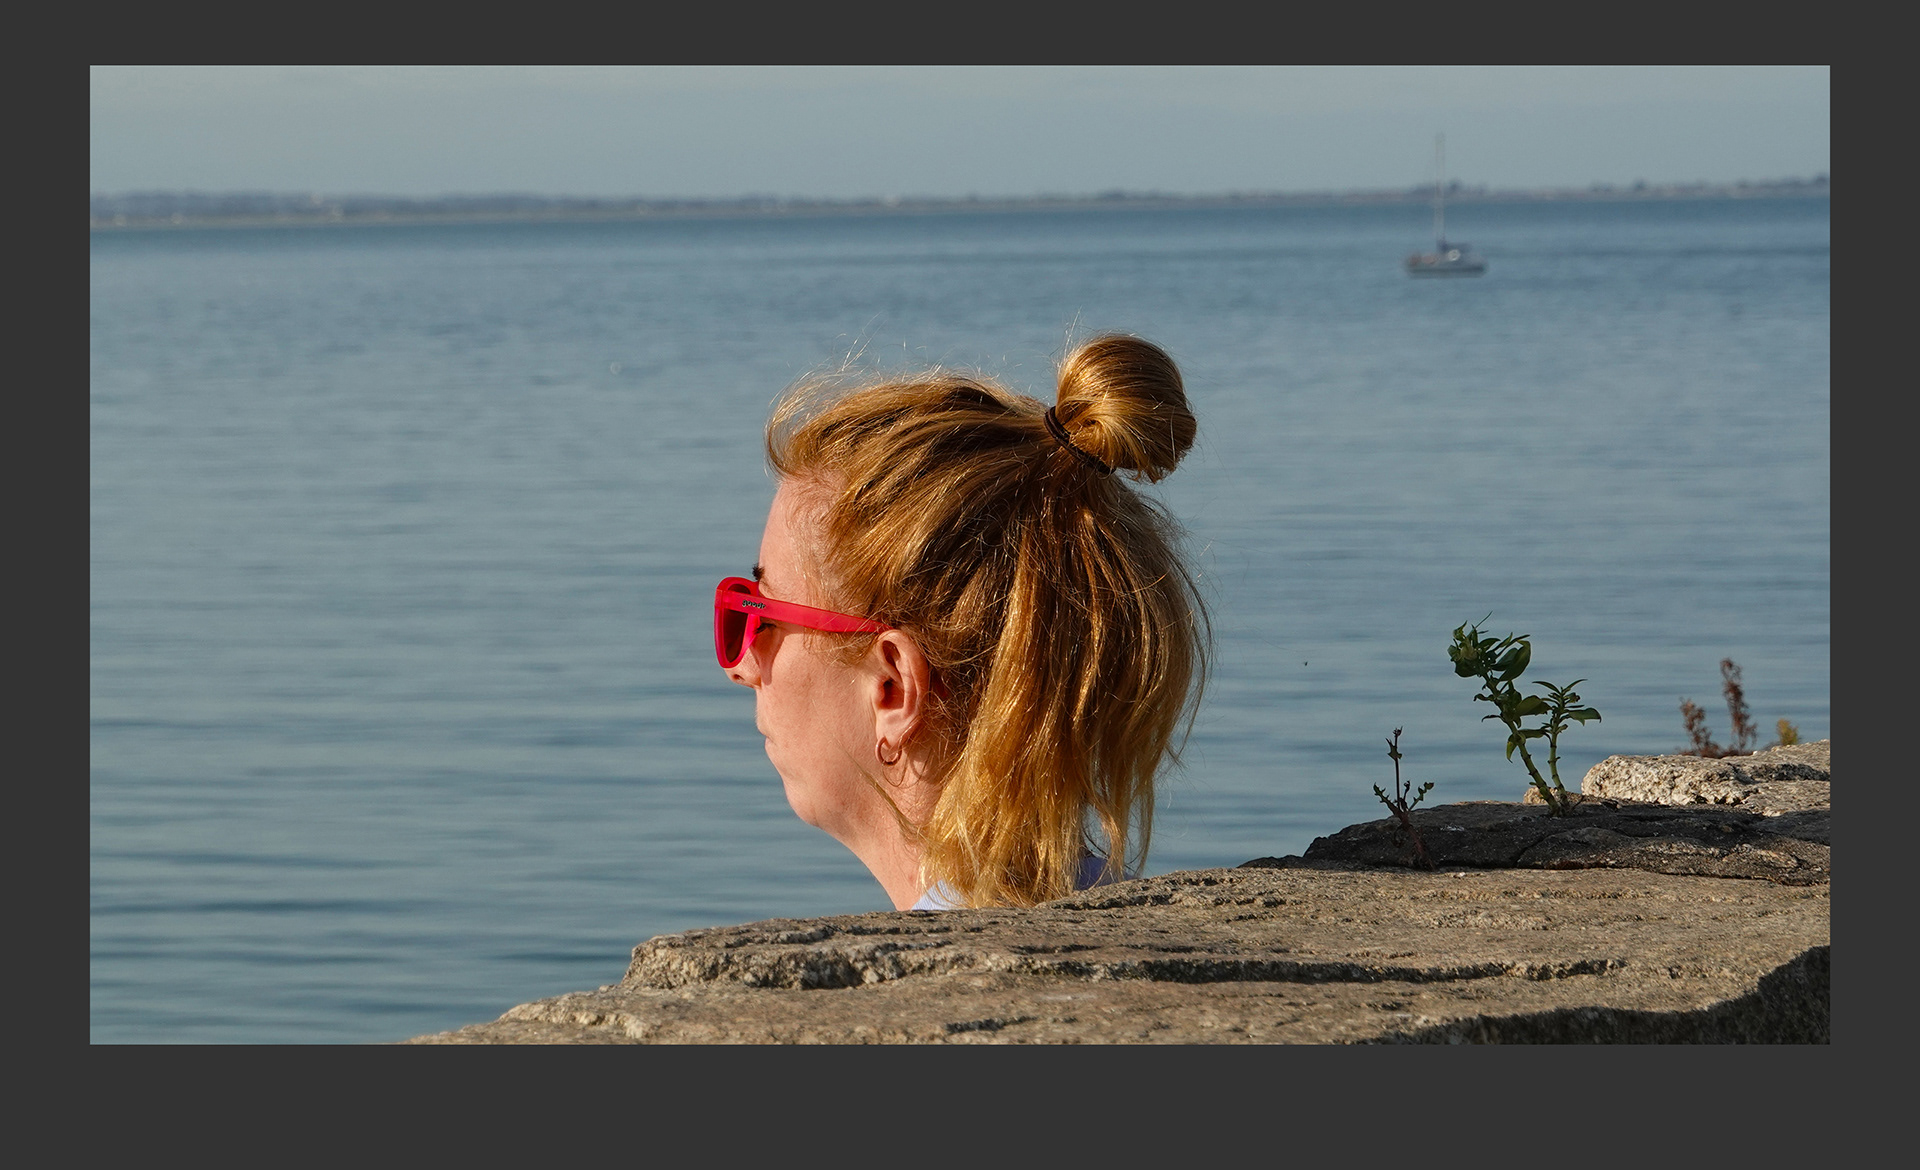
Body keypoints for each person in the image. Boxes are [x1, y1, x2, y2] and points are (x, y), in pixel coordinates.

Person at [713, 334, 1208, 909]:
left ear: (893, 687)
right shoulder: (1125, 914)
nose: (741, 668)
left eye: (760, 614)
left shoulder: (931, 967)